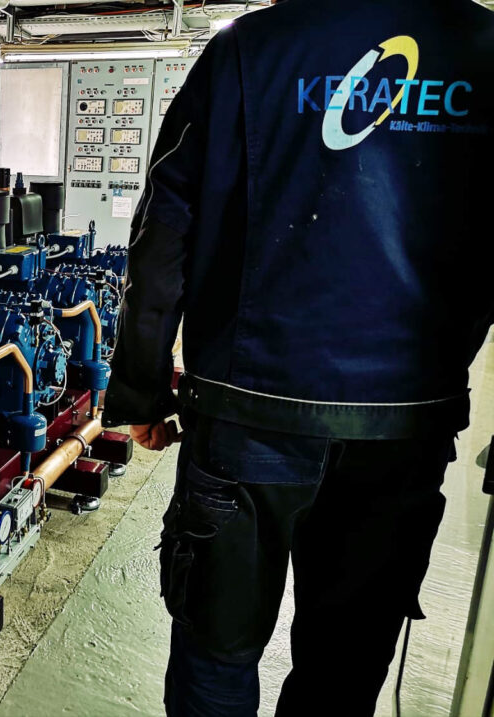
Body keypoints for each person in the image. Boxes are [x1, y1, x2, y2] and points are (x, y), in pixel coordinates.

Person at [101, 0, 494, 714]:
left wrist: (142, 390)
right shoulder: (483, 47)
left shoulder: (248, 49)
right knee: (343, 666)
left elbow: (163, 231)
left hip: (248, 411)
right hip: (405, 427)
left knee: (217, 649)